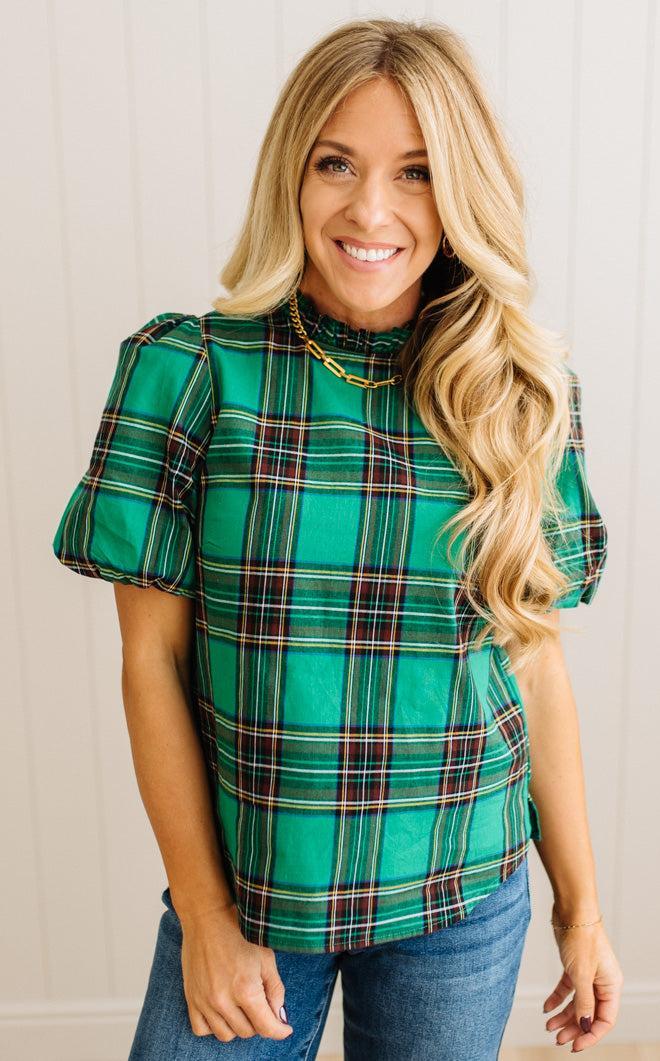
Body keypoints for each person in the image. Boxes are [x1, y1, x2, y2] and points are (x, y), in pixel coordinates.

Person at [51, 16, 624, 1060]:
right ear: (291, 173)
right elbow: (152, 662)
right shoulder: (189, 371)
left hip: (461, 892)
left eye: (415, 173)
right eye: (336, 164)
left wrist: (579, 906)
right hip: (254, 892)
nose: (370, 209)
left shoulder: (516, 394)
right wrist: (208, 918)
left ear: (460, 194)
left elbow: (532, 668)